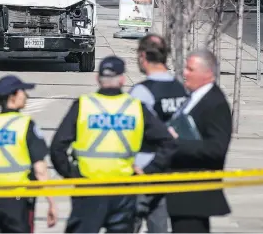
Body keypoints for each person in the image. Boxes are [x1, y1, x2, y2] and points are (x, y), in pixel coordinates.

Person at [50, 55, 177, 233]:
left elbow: (57, 147)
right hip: (123, 190)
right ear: (122, 80)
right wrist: (149, 170)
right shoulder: (136, 108)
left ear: (98, 79)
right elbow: (168, 142)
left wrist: (71, 173)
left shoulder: (83, 106)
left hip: (88, 189)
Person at [0, 75, 57, 233]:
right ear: (13, 96)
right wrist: (51, 202)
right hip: (17, 200)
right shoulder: (24, 125)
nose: (26, 95)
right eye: (23, 91)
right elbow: (40, 169)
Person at [166, 49, 232, 233]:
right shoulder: (194, 97)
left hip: (195, 195)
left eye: (190, 69)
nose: (185, 73)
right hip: (181, 192)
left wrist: (176, 143)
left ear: (208, 73)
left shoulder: (215, 103)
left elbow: (216, 148)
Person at [129, 34, 188, 233]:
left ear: (143, 56)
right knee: (159, 227)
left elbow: (129, 131)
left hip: (142, 168)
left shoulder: (141, 92)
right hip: (168, 169)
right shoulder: (180, 90)